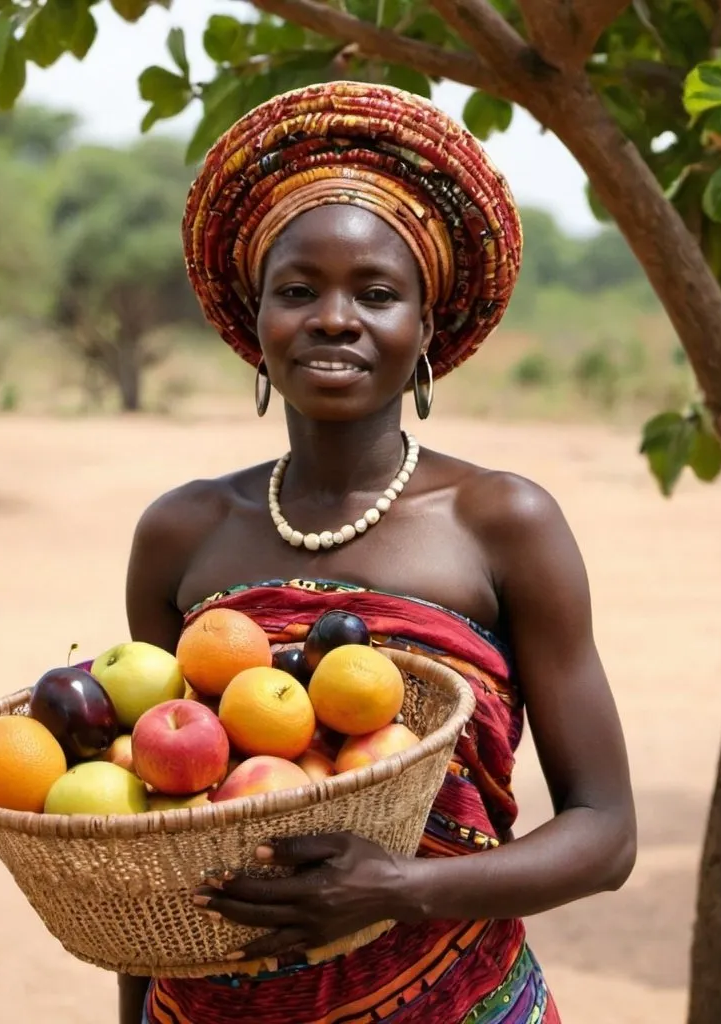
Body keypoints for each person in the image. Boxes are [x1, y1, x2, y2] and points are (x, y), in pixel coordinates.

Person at [121, 81, 636, 1024]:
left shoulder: (504, 521)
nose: (332, 318)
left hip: (457, 1003)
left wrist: (396, 887)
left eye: (376, 293)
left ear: (426, 330)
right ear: (256, 322)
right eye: (298, 291)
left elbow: (606, 835)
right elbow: (147, 824)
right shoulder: (181, 531)